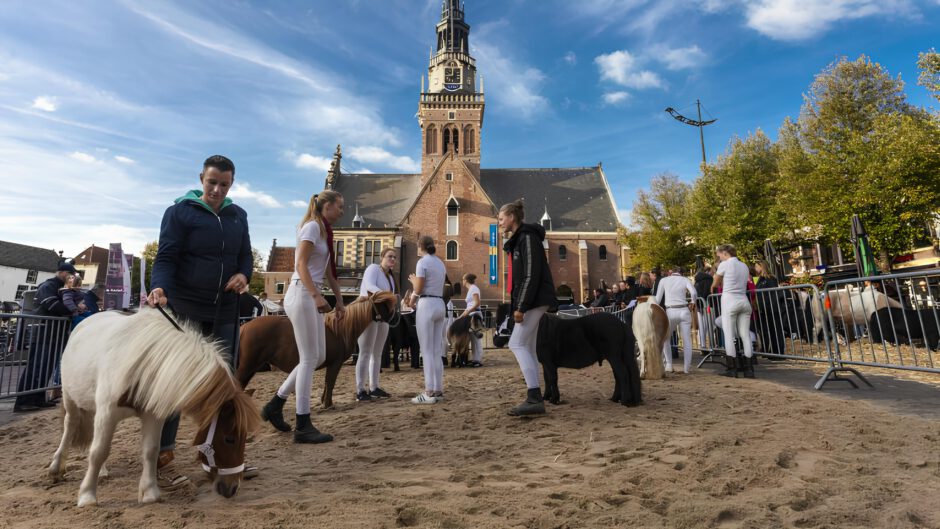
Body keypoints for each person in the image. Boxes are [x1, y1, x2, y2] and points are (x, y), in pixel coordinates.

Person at [147, 155, 254, 489]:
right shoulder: (179, 212)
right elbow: (165, 257)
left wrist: (243, 275)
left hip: (224, 310)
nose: (218, 190)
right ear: (201, 179)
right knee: (178, 386)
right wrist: (158, 285)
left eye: (224, 184)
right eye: (212, 182)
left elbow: (245, 257)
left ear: (231, 184)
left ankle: (218, 457)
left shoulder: (238, 216)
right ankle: (162, 458)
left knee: (224, 388)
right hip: (186, 310)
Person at [259, 190, 346, 442]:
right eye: (339, 206)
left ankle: (276, 403)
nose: (342, 210)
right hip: (302, 292)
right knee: (309, 358)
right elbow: (299, 265)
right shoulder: (311, 228)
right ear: (326, 206)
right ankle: (303, 423)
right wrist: (316, 296)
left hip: (311, 293)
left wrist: (340, 302)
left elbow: (330, 272)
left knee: (318, 355)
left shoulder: (325, 233)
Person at [499, 200, 558, 416]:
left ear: (512, 217)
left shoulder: (527, 237)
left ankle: (534, 397)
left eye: (501, 218)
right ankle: (536, 395)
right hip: (531, 299)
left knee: (516, 343)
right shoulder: (519, 240)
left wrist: (521, 307)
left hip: (534, 299)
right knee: (529, 347)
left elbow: (531, 274)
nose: (499, 222)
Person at [13, 262, 76, 413]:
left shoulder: (61, 288)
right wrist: (71, 310)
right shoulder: (48, 286)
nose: (72, 278)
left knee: (46, 368)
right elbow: (51, 304)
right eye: (70, 274)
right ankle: (23, 401)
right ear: (62, 273)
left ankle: (39, 398)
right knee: (37, 366)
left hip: (54, 333)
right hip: (44, 332)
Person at [405, 235, 447, 404]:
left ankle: (429, 391)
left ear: (419, 246)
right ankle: (437, 389)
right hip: (439, 303)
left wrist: (414, 288)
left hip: (427, 304)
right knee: (436, 350)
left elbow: (420, 288)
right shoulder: (440, 262)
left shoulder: (422, 262)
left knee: (427, 350)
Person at [355, 247, 398, 401]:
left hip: (383, 315)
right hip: (368, 312)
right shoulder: (373, 268)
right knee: (365, 352)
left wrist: (391, 299)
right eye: (389, 256)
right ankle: (360, 390)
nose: (392, 259)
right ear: (382, 257)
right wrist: (390, 297)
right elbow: (369, 287)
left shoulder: (391, 277)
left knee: (377, 353)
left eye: (394, 257)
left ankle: (374, 387)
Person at [711, 244, 754, 378]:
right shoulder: (744, 265)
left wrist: (712, 286)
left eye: (719, 255)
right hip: (744, 300)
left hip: (730, 300)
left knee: (729, 335)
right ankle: (749, 369)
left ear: (725, 253)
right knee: (745, 335)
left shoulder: (725, 264)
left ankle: (732, 368)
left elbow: (716, 282)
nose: (719, 257)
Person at [655, 266, 698, 373]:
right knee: (686, 339)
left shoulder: (664, 280)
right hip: (683, 309)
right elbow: (693, 292)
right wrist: (693, 301)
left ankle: (669, 365)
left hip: (670, 311)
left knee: (666, 339)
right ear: (681, 273)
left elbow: (657, 299)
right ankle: (686, 368)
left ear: (671, 272)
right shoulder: (685, 279)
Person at [754, 260, 786, 360]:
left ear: (761, 266)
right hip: (763, 309)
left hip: (771, 309)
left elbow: (772, 295)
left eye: (756, 266)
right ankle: (769, 351)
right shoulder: (760, 279)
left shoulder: (771, 278)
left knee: (775, 330)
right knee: (766, 331)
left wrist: (768, 306)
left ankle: (778, 353)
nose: (755, 268)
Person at [458, 273, 484, 367]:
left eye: (463, 279)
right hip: (470, 314)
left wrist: (467, 312)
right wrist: (461, 316)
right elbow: (470, 305)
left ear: (466, 280)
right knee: (472, 337)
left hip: (475, 314)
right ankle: (475, 359)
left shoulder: (474, 289)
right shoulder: (471, 289)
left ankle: (478, 360)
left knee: (475, 338)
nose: (462, 281)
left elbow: (477, 303)